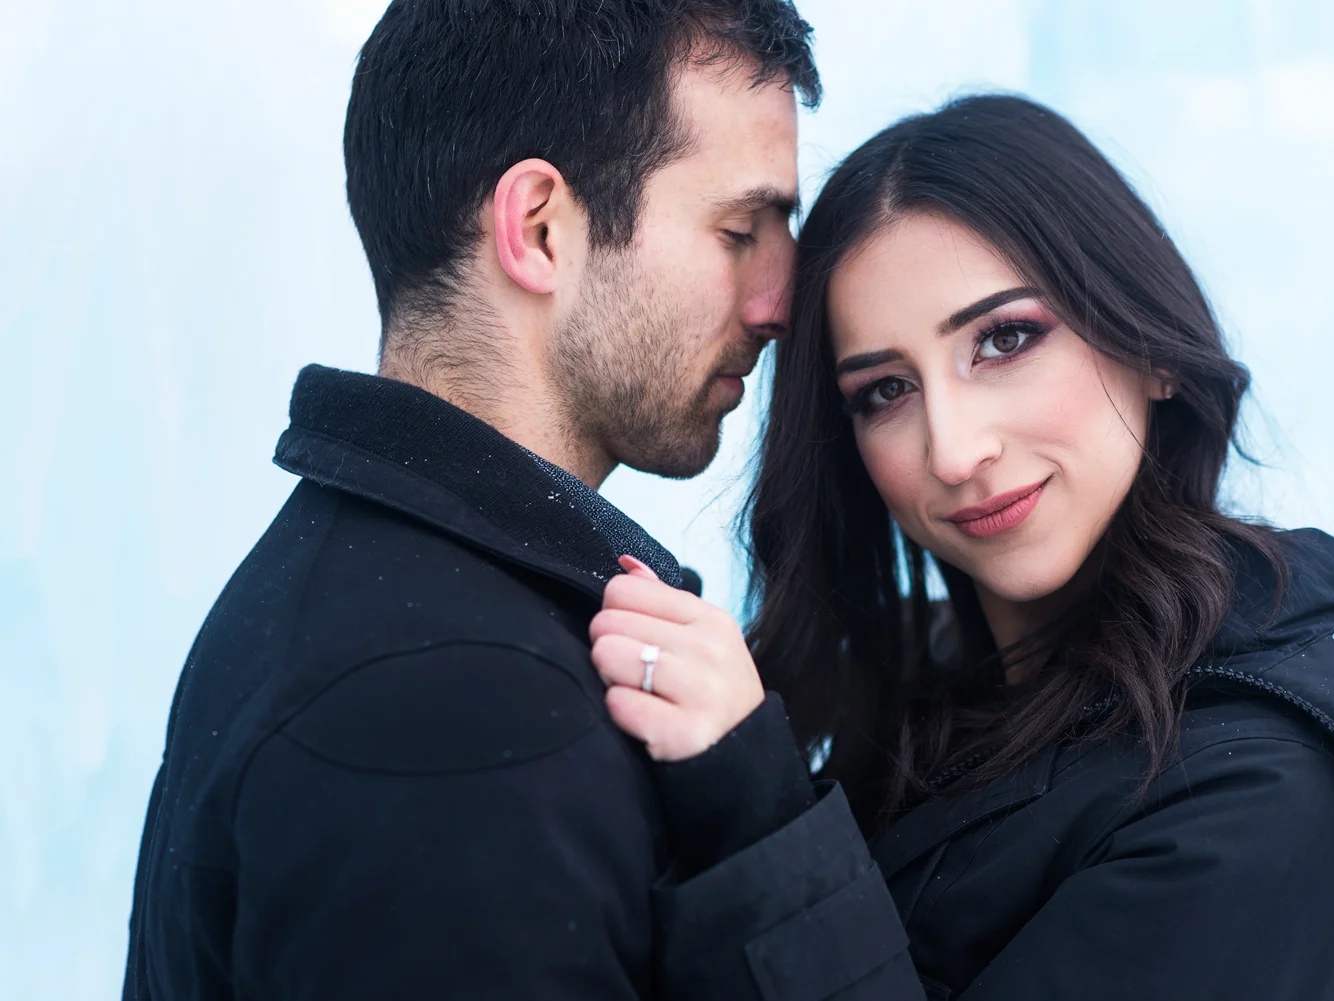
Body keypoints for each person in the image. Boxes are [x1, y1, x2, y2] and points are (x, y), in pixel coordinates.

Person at [591, 95, 1334, 999]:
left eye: (1006, 339)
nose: (953, 449)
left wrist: (758, 818)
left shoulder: (1283, 802)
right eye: (884, 392)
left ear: (1153, 349)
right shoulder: (929, 707)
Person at [122, 3, 920, 998]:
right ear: (540, 228)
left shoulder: (342, 592)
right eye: (740, 228)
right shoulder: (456, 710)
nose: (782, 299)